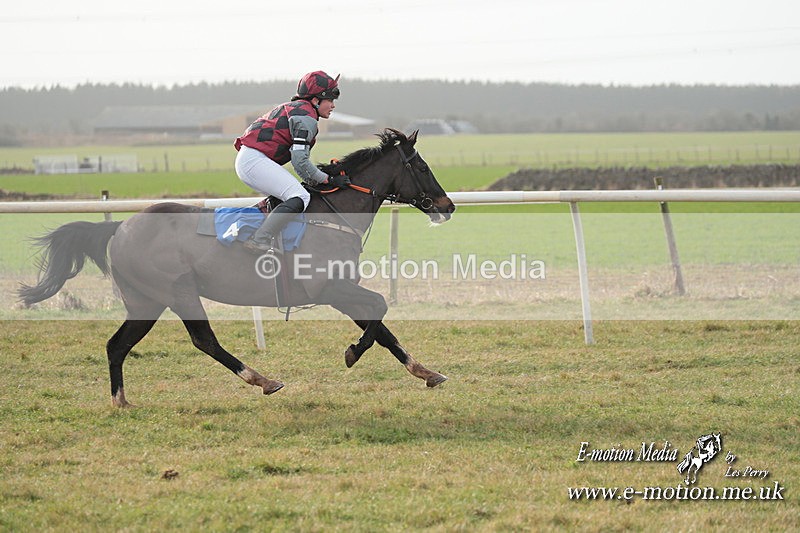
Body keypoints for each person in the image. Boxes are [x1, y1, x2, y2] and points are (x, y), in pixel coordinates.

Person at [234, 70, 351, 254]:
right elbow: (300, 161)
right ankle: (260, 239)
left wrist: (317, 179)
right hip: (253, 160)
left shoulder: (299, 109)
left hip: (252, 158)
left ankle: (269, 238)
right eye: (330, 100)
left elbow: (301, 164)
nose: (333, 105)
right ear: (316, 100)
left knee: (289, 196)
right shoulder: (306, 117)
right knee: (300, 196)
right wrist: (327, 180)